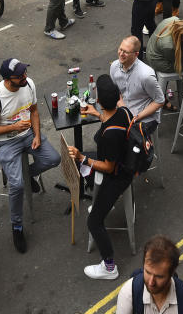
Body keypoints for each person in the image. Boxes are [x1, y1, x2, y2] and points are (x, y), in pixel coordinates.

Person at [0, 58, 60, 253]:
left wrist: (37, 134)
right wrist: (13, 127)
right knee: (16, 185)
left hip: (27, 135)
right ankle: (17, 226)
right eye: (20, 75)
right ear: (9, 79)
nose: (25, 76)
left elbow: (34, 111)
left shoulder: (29, 84)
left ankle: (27, 174)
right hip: (4, 142)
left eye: (25, 72)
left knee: (54, 159)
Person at [64, 76, 134, 280]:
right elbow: (111, 120)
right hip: (123, 162)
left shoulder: (110, 136)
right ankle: (101, 201)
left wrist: (83, 158)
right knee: (81, 163)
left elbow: (108, 167)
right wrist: (96, 114)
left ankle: (110, 267)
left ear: (102, 101)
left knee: (94, 222)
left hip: (118, 176)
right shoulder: (123, 110)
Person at [115, 236, 183, 314]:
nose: (151, 282)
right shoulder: (129, 292)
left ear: (172, 273)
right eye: (148, 272)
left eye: (159, 276)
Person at [110, 35, 164, 134]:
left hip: (146, 118)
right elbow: (116, 92)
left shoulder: (146, 75)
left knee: (127, 138)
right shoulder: (114, 67)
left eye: (126, 52)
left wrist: (136, 118)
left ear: (136, 54)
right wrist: (124, 111)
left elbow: (160, 101)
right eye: (120, 49)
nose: (121, 54)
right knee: (105, 134)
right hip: (125, 111)